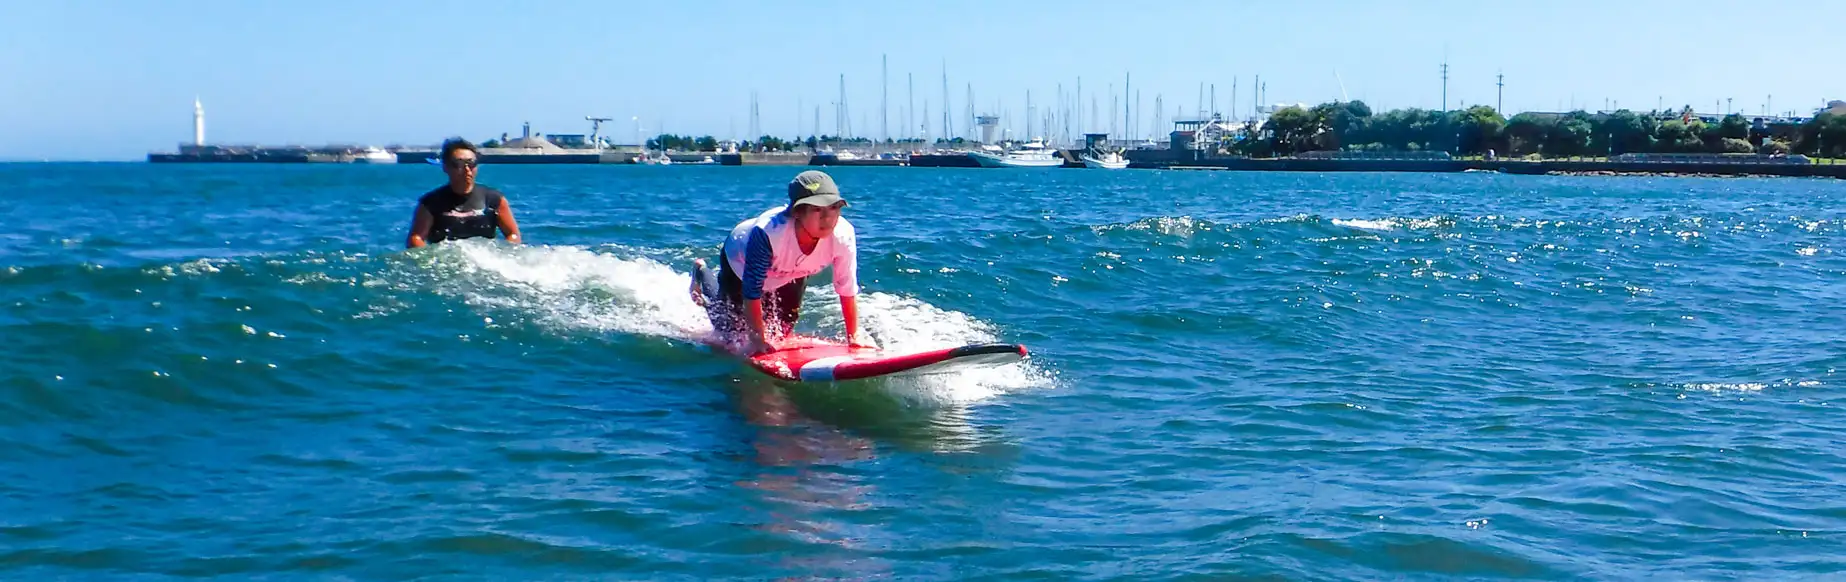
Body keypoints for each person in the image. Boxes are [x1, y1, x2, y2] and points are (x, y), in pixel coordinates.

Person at [691, 170, 875, 355]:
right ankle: (701, 271)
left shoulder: (843, 235)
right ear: (797, 212)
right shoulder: (768, 234)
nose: (827, 218)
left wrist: (854, 337)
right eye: (817, 209)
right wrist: (757, 340)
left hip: (792, 270)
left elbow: (846, 288)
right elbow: (752, 289)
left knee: (781, 331)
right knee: (730, 331)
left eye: (834, 207)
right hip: (740, 262)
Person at [406, 138, 522, 248]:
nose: (467, 170)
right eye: (458, 164)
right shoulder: (430, 203)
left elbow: (513, 234)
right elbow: (416, 238)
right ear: (446, 167)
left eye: (471, 163)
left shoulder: (494, 199)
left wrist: (499, 256)